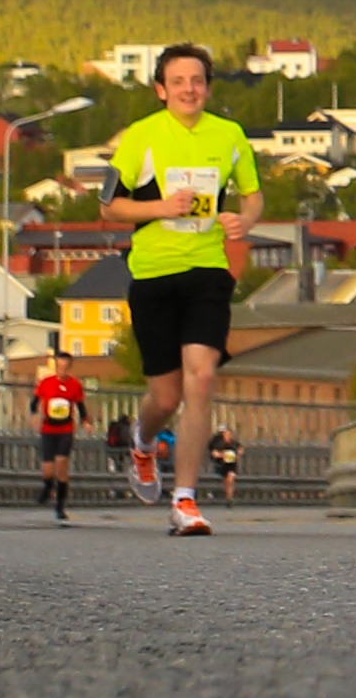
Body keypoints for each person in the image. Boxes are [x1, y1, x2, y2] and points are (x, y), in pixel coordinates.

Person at [105, 43, 261, 537]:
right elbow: (111, 206)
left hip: (208, 271)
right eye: (178, 82)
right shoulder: (142, 137)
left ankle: (186, 500)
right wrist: (161, 209)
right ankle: (143, 441)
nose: (189, 89)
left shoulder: (230, 135)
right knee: (165, 396)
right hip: (153, 273)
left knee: (203, 378)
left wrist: (244, 219)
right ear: (161, 90)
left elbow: (253, 196)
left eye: (197, 81)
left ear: (207, 87)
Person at [31, 355, 88, 522]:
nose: (62, 371)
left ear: (69, 368)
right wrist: (34, 415)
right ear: (55, 367)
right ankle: (48, 487)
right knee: (48, 470)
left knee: (62, 466)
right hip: (48, 429)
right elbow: (34, 401)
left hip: (65, 429)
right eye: (59, 367)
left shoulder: (74, 385)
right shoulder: (46, 382)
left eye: (65, 368)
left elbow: (80, 406)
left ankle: (60, 506)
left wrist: (86, 421)